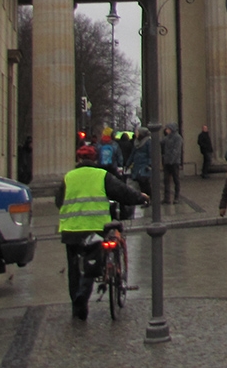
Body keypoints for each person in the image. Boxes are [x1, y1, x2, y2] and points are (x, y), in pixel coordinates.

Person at [56, 144, 147, 319]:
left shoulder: (68, 178)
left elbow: (59, 201)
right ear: (95, 159)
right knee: (92, 265)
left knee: (74, 269)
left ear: (78, 160)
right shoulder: (101, 176)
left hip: (71, 229)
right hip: (95, 227)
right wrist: (140, 197)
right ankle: (83, 295)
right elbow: (123, 192)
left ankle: (77, 306)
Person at [161, 123, 183, 204]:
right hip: (167, 162)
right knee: (166, 180)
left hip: (174, 162)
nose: (166, 130)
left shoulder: (178, 138)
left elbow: (176, 150)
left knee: (176, 180)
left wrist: (171, 160)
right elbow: (161, 143)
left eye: (167, 128)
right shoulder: (166, 138)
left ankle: (176, 197)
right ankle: (167, 198)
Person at [130, 127, 152, 197]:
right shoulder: (136, 142)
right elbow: (132, 154)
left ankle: (149, 197)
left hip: (144, 165)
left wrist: (149, 164)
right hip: (137, 165)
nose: (136, 134)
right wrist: (128, 163)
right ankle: (144, 198)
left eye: (137, 132)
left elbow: (150, 154)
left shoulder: (148, 141)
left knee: (145, 182)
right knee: (140, 183)